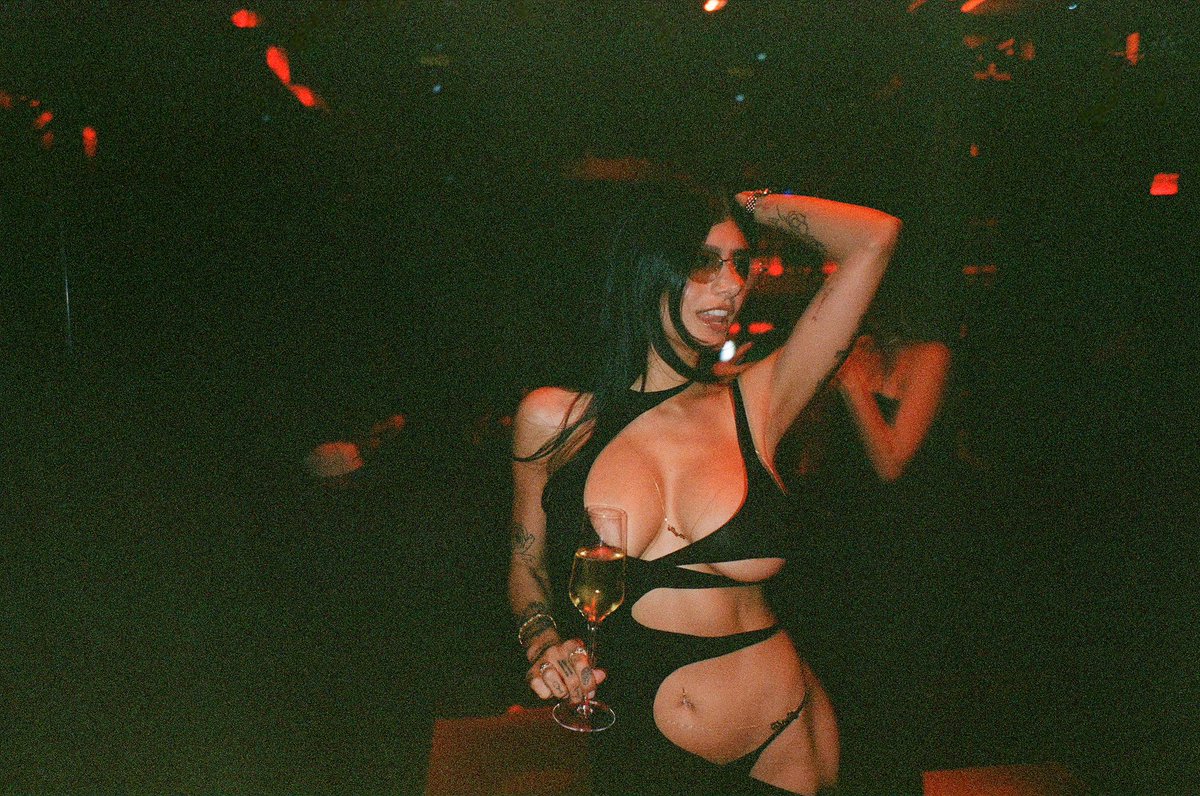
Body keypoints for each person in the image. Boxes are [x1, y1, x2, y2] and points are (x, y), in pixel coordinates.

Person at [507, 181, 901, 795]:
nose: (733, 284)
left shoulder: (759, 400)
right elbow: (526, 563)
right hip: (640, 748)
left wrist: (746, 203)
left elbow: (875, 237)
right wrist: (543, 641)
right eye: (703, 263)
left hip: (787, 747)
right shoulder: (556, 421)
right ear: (647, 270)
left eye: (740, 264)